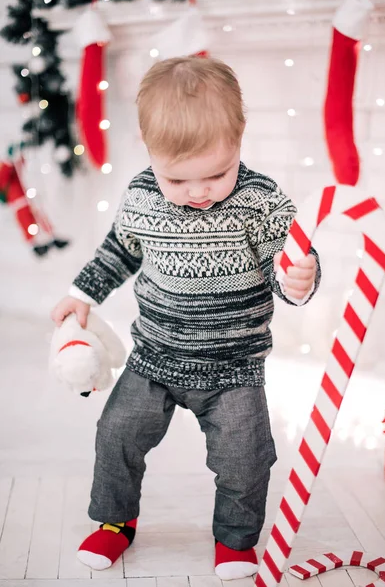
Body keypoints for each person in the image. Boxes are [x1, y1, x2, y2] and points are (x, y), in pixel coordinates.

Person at [51, 56, 321, 581]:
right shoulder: (143, 196)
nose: (198, 193)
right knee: (116, 434)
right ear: (150, 155)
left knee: (246, 458)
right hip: (154, 356)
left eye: (216, 175)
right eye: (177, 179)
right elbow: (119, 252)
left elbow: (286, 267)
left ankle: (236, 540)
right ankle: (114, 522)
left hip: (234, 366)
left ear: (239, 142)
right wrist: (81, 293)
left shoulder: (261, 203)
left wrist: (300, 280)